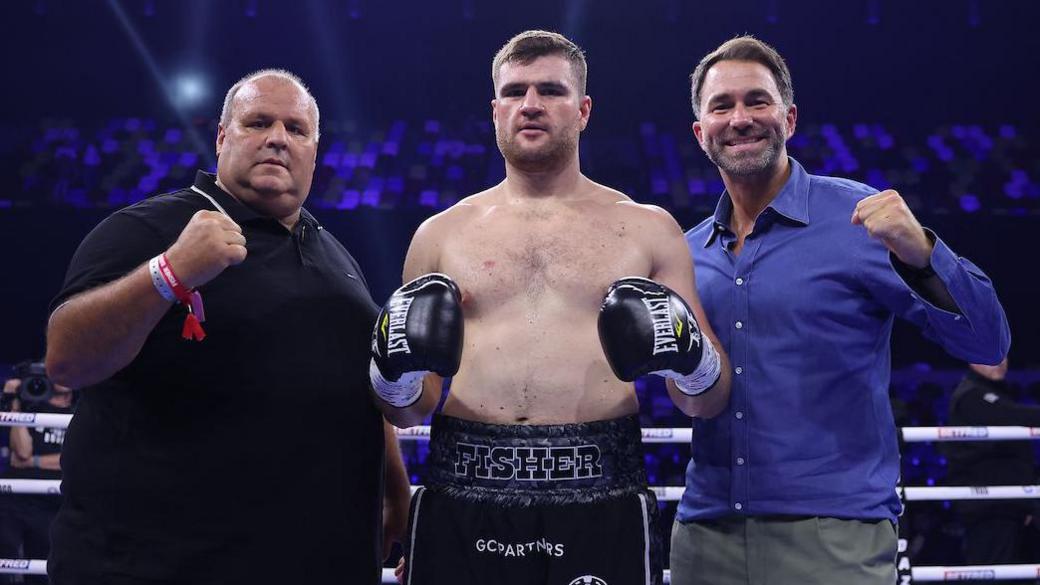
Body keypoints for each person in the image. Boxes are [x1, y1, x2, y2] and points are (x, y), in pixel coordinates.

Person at [371, 30, 731, 585]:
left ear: (583, 110)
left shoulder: (647, 229)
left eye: (550, 90)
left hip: (600, 495)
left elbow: (705, 401)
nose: (531, 104)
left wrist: (693, 361)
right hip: (462, 494)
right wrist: (391, 376)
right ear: (495, 112)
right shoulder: (439, 236)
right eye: (514, 91)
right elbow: (408, 411)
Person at [44, 69, 408, 585]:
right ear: (222, 136)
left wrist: (395, 487)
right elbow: (66, 359)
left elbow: (355, 379)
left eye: (296, 129)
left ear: (314, 151)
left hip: (314, 559)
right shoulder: (148, 228)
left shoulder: (334, 254)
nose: (278, 138)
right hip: (161, 563)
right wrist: (168, 273)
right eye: (258, 122)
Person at [672, 36, 1011, 585]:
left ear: (790, 117)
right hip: (707, 535)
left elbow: (988, 343)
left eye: (757, 101)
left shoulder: (860, 220)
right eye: (722, 106)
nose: (740, 118)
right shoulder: (687, 253)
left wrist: (923, 252)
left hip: (835, 536)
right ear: (700, 132)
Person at [945, 360, 1040, 578]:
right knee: (991, 573)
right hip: (988, 505)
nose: (1000, 364)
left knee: (1018, 574)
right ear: (971, 360)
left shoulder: (995, 393)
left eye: (1004, 357)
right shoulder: (971, 395)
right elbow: (1012, 415)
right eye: (991, 358)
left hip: (1011, 503)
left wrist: (1026, 503)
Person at [0, 372, 74, 585]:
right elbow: (22, 452)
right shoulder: (32, 404)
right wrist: (15, 402)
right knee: (4, 555)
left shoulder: (81, 409)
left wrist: (35, 461)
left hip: (55, 502)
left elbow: (79, 455)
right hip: (17, 498)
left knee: (44, 570)